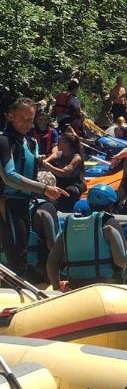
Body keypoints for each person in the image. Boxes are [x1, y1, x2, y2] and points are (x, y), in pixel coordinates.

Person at [0, 98, 67, 272]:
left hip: (24, 203)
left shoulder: (31, 143)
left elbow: (33, 169)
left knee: (22, 251)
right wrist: (44, 189)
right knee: (15, 255)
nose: (27, 124)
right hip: (6, 203)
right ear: (11, 116)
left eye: (31, 119)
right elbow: (8, 176)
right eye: (23, 118)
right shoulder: (3, 142)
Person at [46, 184, 127, 289]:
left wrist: (57, 287)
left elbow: (52, 263)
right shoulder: (109, 222)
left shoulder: (69, 227)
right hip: (105, 286)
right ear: (111, 205)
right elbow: (121, 261)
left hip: (76, 287)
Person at [43, 133, 86, 212]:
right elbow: (46, 160)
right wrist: (43, 161)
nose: (58, 143)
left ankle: (67, 212)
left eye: (60, 142)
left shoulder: (77, 157)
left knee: (69, 192)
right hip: (61, 181)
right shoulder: (58, 153)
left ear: (68, 144)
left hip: (75, 183)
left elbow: (63, 173)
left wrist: (48, 166)